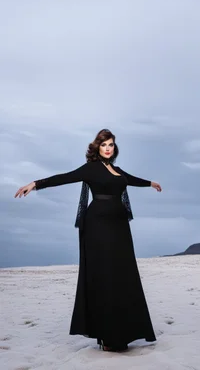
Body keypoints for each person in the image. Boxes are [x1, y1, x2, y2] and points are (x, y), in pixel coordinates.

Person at [14, 128, 162, 352]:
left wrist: (151, 183)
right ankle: (107, 336)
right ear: (97, 147)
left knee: (122, 276)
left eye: (111, 144)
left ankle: (123, 333)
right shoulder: (91, 168)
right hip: (98, 227)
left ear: (114, 148)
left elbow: (131, 180)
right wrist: (35, 184)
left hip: (119, 227)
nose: (107, 148)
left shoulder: (116, 169)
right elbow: (65, 177)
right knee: (105, 275)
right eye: (103, 145)